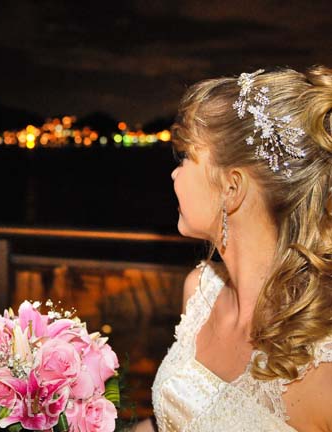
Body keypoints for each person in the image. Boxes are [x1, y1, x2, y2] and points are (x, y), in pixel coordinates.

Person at [133, 65, 332, 431]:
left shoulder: (324, 368)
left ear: (231, 188)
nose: (175, 174)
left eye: (187, 158)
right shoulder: (200, 291)